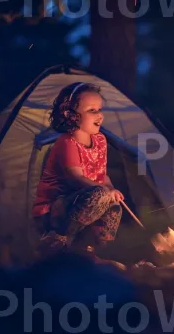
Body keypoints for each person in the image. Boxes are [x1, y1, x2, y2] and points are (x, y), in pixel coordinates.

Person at [32, 82, 125, 267]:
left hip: (85, 201)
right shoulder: (67, 142)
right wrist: (103, 191)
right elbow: (74, 177)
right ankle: (58, 240)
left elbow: (102, 175)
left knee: (114, 204)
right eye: (92, 110)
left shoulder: (100, 141)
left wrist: (111, 188)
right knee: (99, 195)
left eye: (100, 109)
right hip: (56, 209)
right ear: (70, 115)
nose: (99, 115)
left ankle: (86, 250)